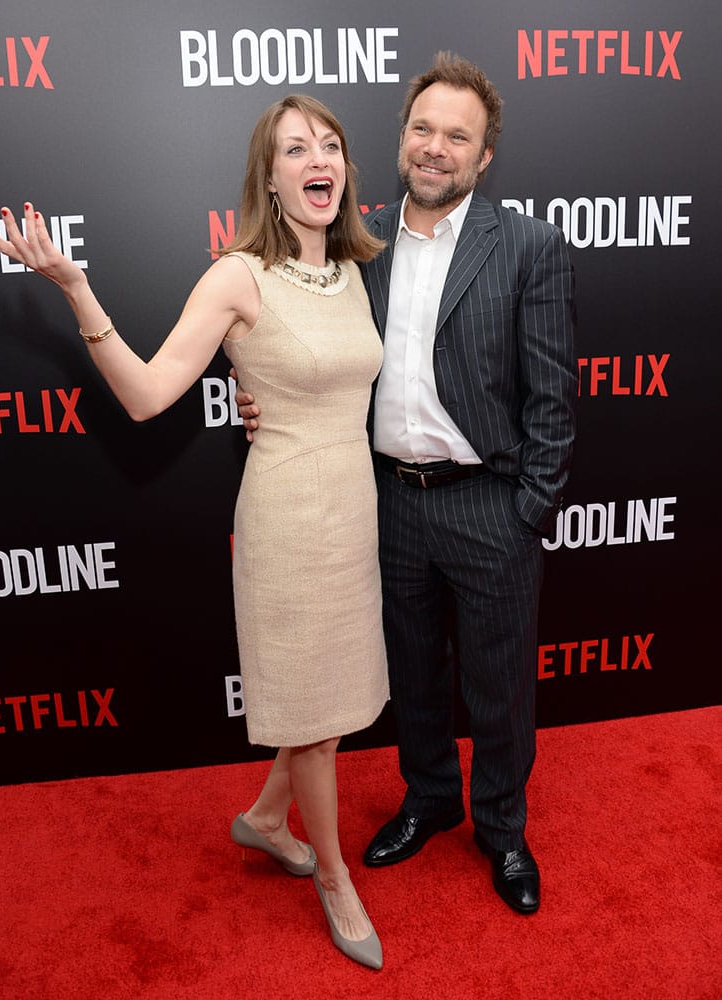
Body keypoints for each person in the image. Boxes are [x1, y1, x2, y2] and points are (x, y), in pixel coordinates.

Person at [0, 94, 389, 969]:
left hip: (354, 512)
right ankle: (331, 875)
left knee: (328, 700)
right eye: (294, 149)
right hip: (286, 521)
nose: (317, 158)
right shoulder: (238, 274)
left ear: (344, 171)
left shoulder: (354, 272)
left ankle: (264, 820)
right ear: (271, 182)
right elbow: (145, 394)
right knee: (316, 718)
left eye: (330, 145)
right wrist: (76, 287)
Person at [236, 53, 577, 916]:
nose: (435, 148)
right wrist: (261, 400)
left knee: (498, 686)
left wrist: (528, 510)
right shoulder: (362, 245)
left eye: (456, 136)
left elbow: (553, 396)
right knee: (413, 678)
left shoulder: (529, 246)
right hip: (385, 502)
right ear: (400, 141)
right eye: (422, 129)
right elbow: (304, 344)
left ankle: (501, 831)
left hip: (490, 505)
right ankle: (428, 800)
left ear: (484, 154)